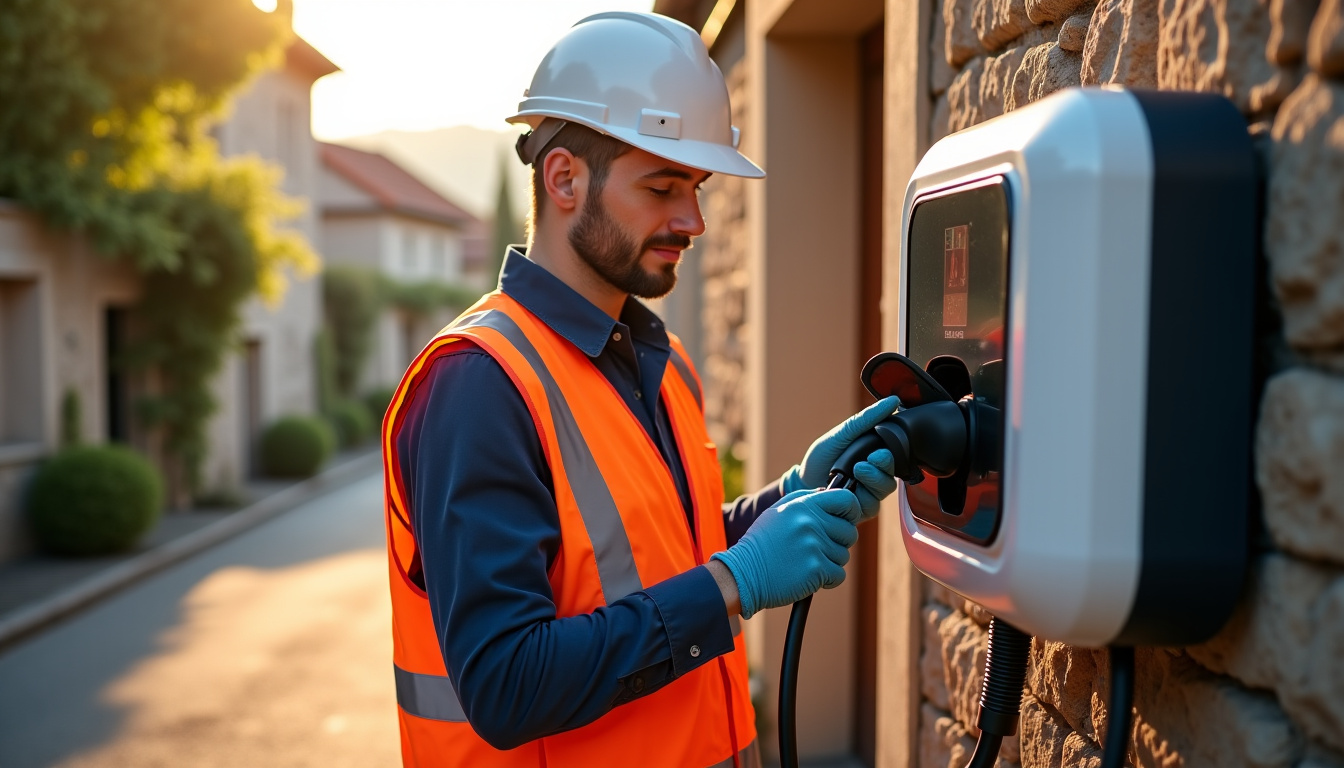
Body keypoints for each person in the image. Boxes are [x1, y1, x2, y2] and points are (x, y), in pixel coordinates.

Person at [381, 12, 901, 768]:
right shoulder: (479, 384)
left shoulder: (658, 358)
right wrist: (737, 581)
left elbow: (657, 553)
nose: (693, 220)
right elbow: (506, 684)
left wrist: (785, 498)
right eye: (662, 188)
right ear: (564, 178)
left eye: (695, 188)